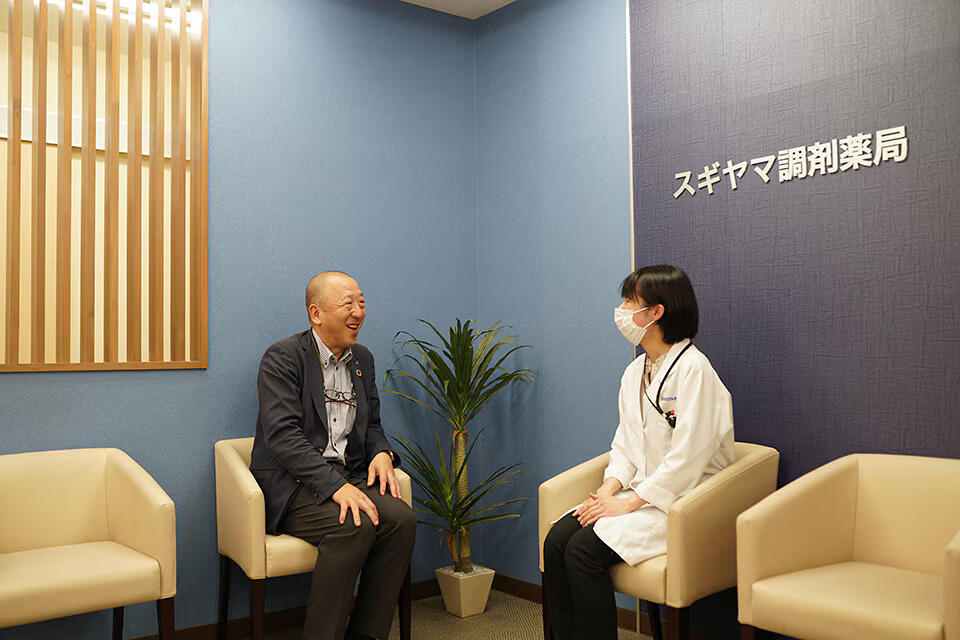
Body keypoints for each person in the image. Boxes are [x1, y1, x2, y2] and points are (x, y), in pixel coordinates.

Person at [542, 265, 735, 640]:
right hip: (642, 497)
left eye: (630, 302)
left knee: (581, 551)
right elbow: (625, 445)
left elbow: (688, 461)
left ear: (656, 312)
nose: (621, 311)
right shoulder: (635, 372)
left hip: (683, 504)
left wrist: (628, 504)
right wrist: (608, 492)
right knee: (556, 541)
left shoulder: (695, 370)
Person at [250, 271, 416, 640]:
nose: (358, 312)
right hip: (295, 485)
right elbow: (282, 436)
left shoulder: (362, 360)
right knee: (352, 525)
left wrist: (382, 453)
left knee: (401, 521)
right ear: (316, 314)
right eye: (348, 304)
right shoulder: (283, 358)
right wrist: (334, 487)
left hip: (348, 475)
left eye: (362, 302)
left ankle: (366, 634)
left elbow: (372, 424)